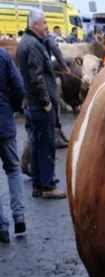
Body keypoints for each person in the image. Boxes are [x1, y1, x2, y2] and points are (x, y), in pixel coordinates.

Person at [16, 9, 66, 199]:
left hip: (32, 102)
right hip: (40, 104)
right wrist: (46, 102)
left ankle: (39, 183)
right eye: (44, 23)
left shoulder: (27, 42)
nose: (46, 26)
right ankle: (48, 186)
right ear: (35, 24)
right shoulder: (33, 45)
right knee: (46, 144)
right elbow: (37, 77)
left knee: (37, 144)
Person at [0, 47, 26, 242]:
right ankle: (19, 217)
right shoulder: (3, 55)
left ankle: (1, 226)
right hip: (4, 122)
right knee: (13, 169)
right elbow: (18, 86)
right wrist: (14, 107)